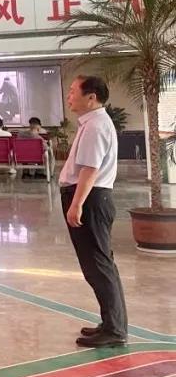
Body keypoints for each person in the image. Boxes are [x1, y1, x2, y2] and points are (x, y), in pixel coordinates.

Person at [60, 75, 127, 348]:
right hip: (92, 197)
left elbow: (90, 169)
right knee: (99, 265)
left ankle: (114, 330)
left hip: (91, 199)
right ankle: (111, 323)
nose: (69, 97)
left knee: (98, 266)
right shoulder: (91, 123)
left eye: (73, 91)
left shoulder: (96, 126)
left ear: (91, 97)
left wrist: (76, 204)